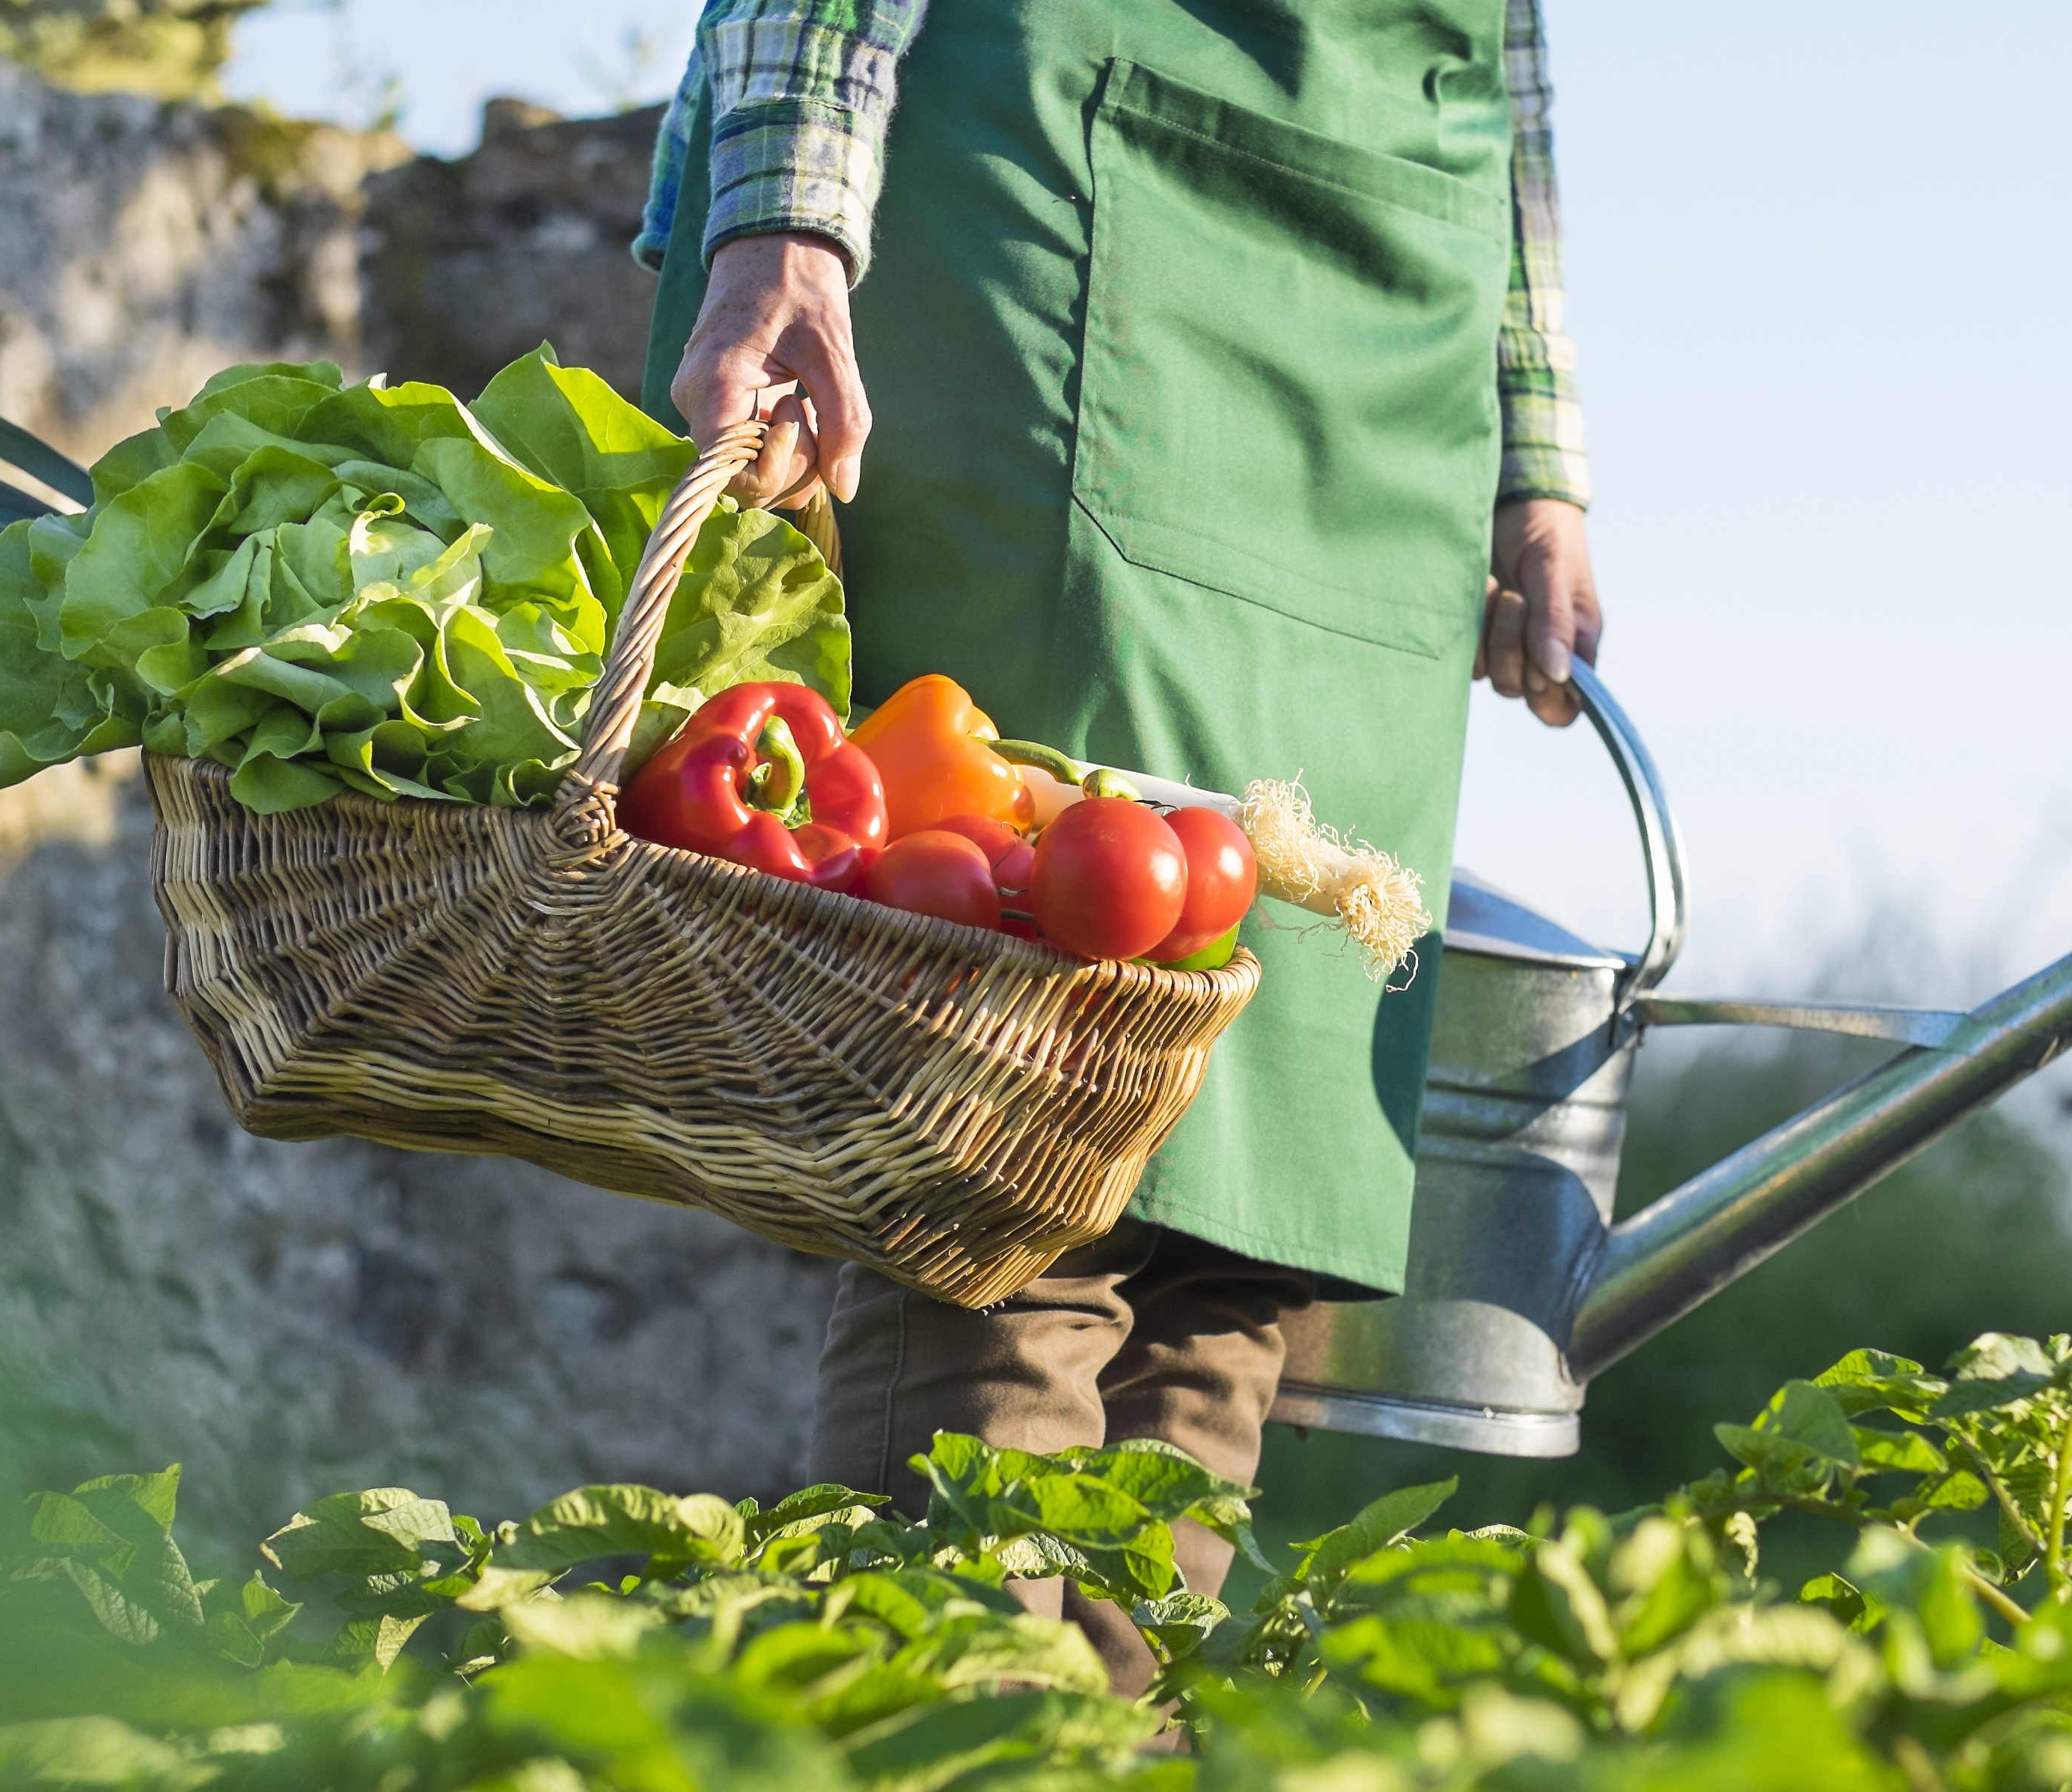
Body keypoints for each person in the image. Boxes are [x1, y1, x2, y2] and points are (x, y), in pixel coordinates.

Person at [635, 0, 1604, 1694]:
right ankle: (955, 1731)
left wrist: (1537, 447)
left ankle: (1114, 1734)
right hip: (1059, 196)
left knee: (1247, 1220)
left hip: (1389, 313)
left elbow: (1505, 44)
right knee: (1023, 1149)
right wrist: (782, 214)